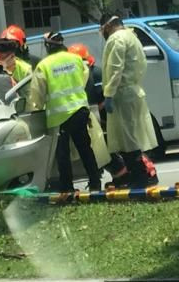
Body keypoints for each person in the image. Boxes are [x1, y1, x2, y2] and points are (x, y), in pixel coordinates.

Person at [29, 32, 101, 193]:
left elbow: (37, 92)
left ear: (48, 46)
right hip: (80, 110)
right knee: (85, 148)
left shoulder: (44, 65)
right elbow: (84, 79)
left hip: (58, 116)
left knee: (62, 154)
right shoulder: (76, 59)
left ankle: (67, 187)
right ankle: (95, 182)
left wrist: (36, 108)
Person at [99, 13, 159, 188]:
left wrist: (108, 94)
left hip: (122, 94)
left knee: (127, 139)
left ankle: (139, 177)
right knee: (131, 136)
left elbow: (115, 69)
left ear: (108, 27)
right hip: (133, 90)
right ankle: (139, 175)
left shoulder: (116, 39)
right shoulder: (132, 37)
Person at [69, 43, 132, 187]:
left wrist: (97, 109)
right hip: (88, 114)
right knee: (99, 149)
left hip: (98, 116)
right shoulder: (82, 75)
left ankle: (122, 176)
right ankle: (117, 176)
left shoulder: (95, 73)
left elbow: (103, 96)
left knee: (103, 149)